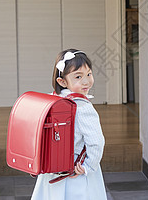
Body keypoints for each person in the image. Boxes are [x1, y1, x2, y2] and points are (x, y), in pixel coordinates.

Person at [31, 49, 108, 200]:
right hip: (76, 171)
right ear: (62, 81)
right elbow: (96, 142)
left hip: (52, 167)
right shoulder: (83, 107)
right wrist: (88, 166)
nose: (86, 81)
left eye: (89, 74)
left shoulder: (51, 100)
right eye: (78, 76)